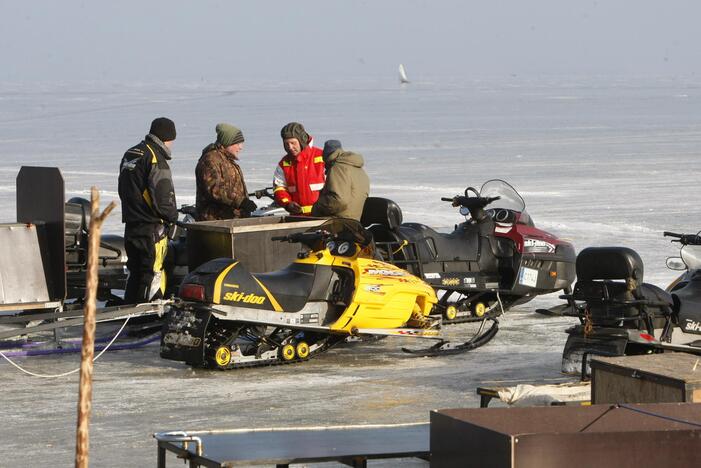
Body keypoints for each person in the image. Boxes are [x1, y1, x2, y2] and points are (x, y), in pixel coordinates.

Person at [118, 117, 178, 304]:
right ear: (167, 138)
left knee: (135, 271)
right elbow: (163, 197)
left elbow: (123, 188)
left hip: (131, 224)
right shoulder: (155, 159)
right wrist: (172, 218)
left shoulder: (132, 153)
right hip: (151, 227)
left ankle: (129, 310)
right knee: (153, 272)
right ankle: (149, 315)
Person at [195, 123, 256, 221]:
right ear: (228, 142)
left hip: (231, 220)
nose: (241, 147)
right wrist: (240, 201)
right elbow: (214, 189)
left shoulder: (227, 160)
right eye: (237, 143)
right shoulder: (210, 160)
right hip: (215, 222)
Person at [273, 122, 325, 215]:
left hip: (322, 216)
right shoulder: (284, 164)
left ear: (301, 141)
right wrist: (287, 203)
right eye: (286, 144)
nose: (290, 147)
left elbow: (335, 187)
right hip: (297, 217)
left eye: (293, 143)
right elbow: (279, 188)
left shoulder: (322, 157)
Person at [311, 140, 370, 221]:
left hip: (337, 222)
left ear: (326, 156)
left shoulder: (337, 168)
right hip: (354, 221)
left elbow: (339, 200)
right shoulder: (358, 168)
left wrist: (317, 207)